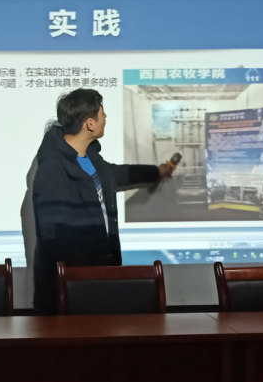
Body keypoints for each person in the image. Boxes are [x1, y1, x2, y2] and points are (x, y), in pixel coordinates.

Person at [31, 88, 174, 314]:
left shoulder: (91, 159)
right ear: (90, 123)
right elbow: (55, 241)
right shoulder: (52, 170)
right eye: (102, 112)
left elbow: (118, 174)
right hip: (71, 294)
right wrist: (88, 279)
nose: (105, 116)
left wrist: (157, 171)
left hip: (98, 281)